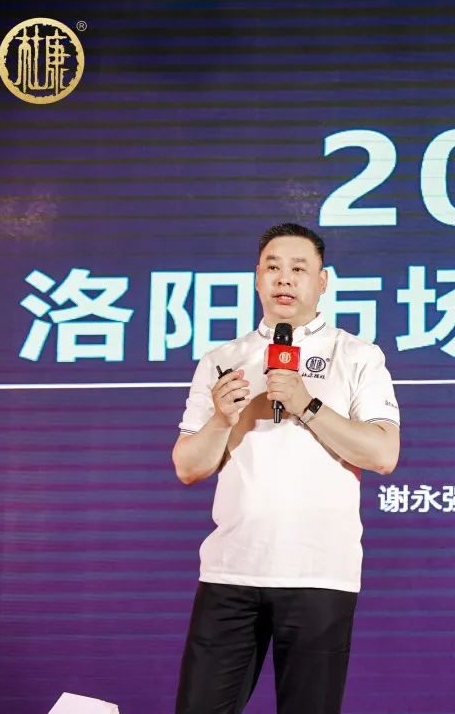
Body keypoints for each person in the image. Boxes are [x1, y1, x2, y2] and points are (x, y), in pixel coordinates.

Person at [172, 222, 400, 713]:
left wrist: (306, 404)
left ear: (323, 281)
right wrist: (221, 419)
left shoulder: (357, 355)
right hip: (231, 570)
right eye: (273, 267)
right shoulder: (222, 360)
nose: (284, 278)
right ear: (257, 278)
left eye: (299, 268)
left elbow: (383, 453)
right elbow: (188, 467)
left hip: (320, 572)